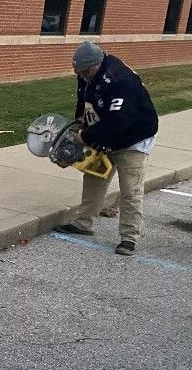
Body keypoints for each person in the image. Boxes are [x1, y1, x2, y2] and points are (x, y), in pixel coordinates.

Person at [53, 42, 159, 256]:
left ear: (95, 65)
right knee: (93, 178)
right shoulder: (86, 74)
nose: (81, 76)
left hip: (134, 137)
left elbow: (119, 121)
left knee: (130, 188)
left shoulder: (120, 80)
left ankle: (129, 237)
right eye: (78, 72)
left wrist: (86, 136)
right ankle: (83, 223)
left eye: (84, 72)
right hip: (104, 131)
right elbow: (83, 100)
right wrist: (80, 121)